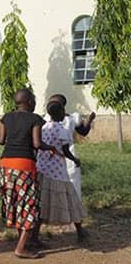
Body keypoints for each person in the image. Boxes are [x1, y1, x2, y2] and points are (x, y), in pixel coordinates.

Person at [0, 88, 59, 259]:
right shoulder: (34, 118)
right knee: (30, 204)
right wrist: (51, 147)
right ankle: (21, 248)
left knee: (15, 202)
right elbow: (37, 143)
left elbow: (1, 140)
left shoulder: (6, 117)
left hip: (6, 164)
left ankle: (24, 240)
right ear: (30, 102)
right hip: (24, 164)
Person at [32, 101, 86, 245]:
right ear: (58, 114)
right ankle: (80, 232)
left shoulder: (43, 128)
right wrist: (75, 160)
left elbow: (37, 146)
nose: (64, 114)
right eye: (62, 111)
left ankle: (34, 236)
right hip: (57, 171)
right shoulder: (61, 129)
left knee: (42, 203)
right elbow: (66, 150)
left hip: (42, 169)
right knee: (71, 200)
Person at [45, 94, 95, 200]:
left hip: (50, 157)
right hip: (69, 156)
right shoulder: (73, 118)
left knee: (53, 185)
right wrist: (90, 120)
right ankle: (73, 210)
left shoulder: (45, 120)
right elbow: (83, 132)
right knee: (73, 184)